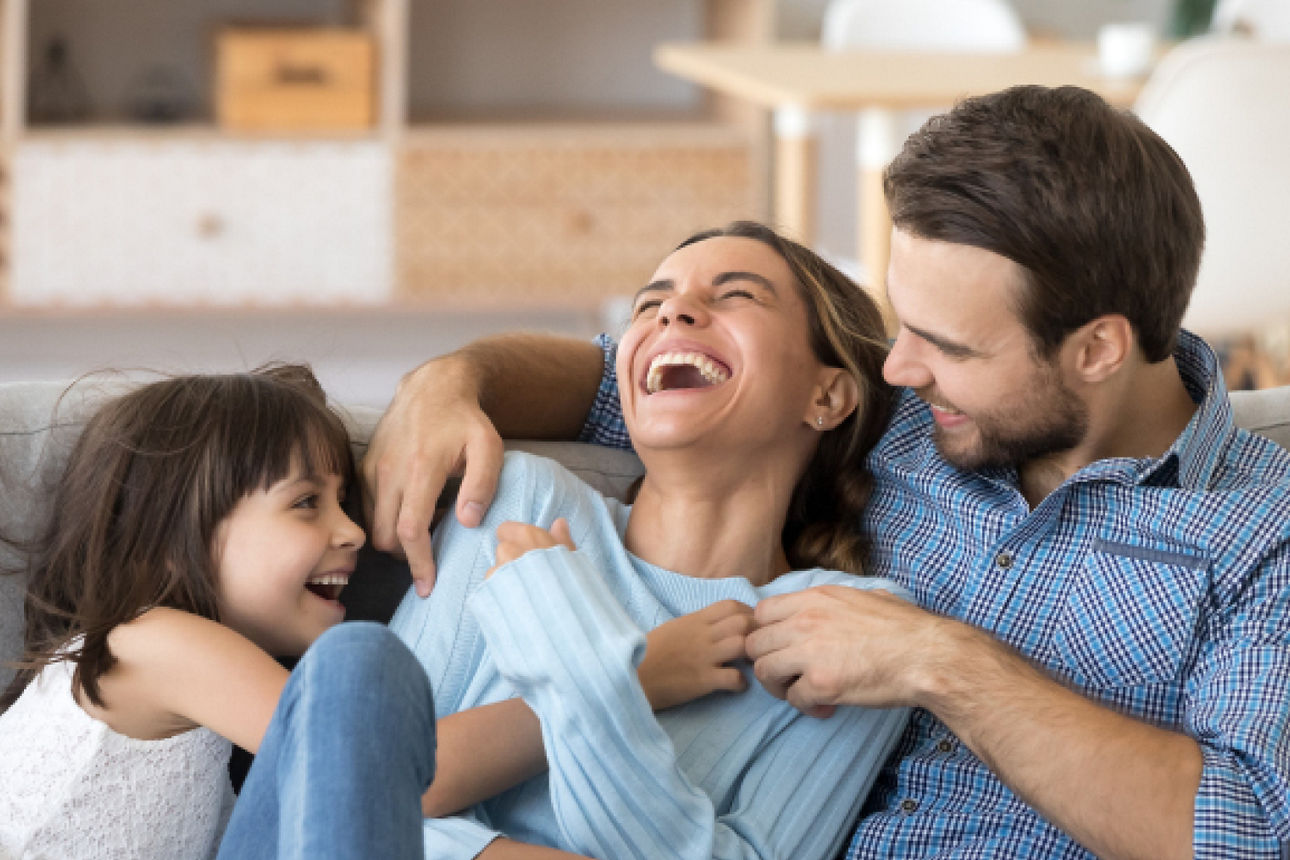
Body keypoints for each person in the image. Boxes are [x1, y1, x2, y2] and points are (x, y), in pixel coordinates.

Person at [363, 85, 1290, 859]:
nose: (899, 366)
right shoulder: (901, 416)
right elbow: (630, 382)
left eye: (946, 344)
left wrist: (940, 662)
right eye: (902, 322)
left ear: (1097, 350)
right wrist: (456, 378)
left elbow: (1246, 831)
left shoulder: (1262, 530)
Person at [390, 221, 911, 858]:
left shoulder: (848, 632)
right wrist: (636, 678)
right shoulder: (519, 502)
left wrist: (572, 646)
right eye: (650, 304)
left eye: (737, 295)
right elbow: (354, 786)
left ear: (826, 395)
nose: (673, 312)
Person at [0, 365, 436, 859]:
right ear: (170, 536)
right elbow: (391, 776)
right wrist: (541, 682)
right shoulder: (155, 644)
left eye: (344, 502)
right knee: (355, 662)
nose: (353, 531)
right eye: (308, 502)